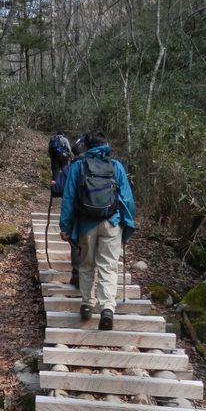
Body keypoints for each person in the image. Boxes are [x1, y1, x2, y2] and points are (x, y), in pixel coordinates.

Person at [58, 131, 136, 330]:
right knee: (108, 266)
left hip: (86, 224)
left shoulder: (77, 167)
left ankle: (87, 304)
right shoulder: (116, 167)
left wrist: (65, 226)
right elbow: (127, 199)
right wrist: (127, 225)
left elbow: (68, 199)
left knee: (86, 265)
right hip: (112, 223)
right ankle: (107, 308)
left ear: (87, 147)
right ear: (106, 145)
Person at [48, 131, 76, 285]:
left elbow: (49, 151)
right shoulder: (64, 139)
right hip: (63, 157)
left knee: (56, 170)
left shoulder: (52, 139)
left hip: (54, 157)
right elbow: (69, 149)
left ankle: (56, 181)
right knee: (65, 170)